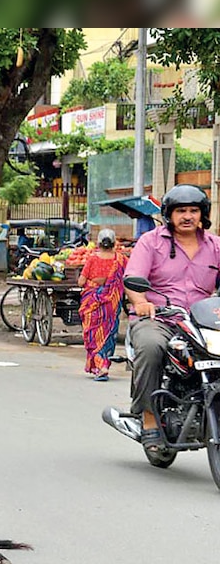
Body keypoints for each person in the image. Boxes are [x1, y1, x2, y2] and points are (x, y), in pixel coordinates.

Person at [122, 184, 220, 449]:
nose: (187, 216)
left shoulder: (216, 245)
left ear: (203, 214)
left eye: (193, 210)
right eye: (181, 211)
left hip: (204, 324)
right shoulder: (151, 242)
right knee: (151, 347)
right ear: (169, 214)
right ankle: (149, 417)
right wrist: (141, 301)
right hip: (160, 319)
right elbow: (133, 279)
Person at [77, 228, 127, 381]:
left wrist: (95, 283)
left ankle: (101, 366)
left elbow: (81, 282)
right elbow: (128, 278)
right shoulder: (122, 260)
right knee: (108, 333)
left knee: (93, 334)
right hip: (112, 304)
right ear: (114, 244)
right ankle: (104, 363)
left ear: (98, 243)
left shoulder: (92, 259)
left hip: (91, 302)